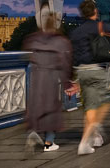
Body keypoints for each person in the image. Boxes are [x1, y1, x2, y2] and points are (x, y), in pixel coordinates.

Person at [70, 0, 110, 155]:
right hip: (97, 70)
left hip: (81, 71)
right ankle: (86, 139)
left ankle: (94, 137)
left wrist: (75, 80)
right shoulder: (100, 26)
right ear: (95, 12)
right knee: (106, 101)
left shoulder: (75, 32)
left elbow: (73, 56)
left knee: (90, 105)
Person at [24, 10, 73, 153]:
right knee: (51, 108)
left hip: (37, 77)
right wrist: (67, 83)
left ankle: (33, 132)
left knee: (37, 106)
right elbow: (65, 64)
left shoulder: (35, 39)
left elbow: (29, 55)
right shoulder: (61, 42)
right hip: (51, 77)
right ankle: (49, 142)